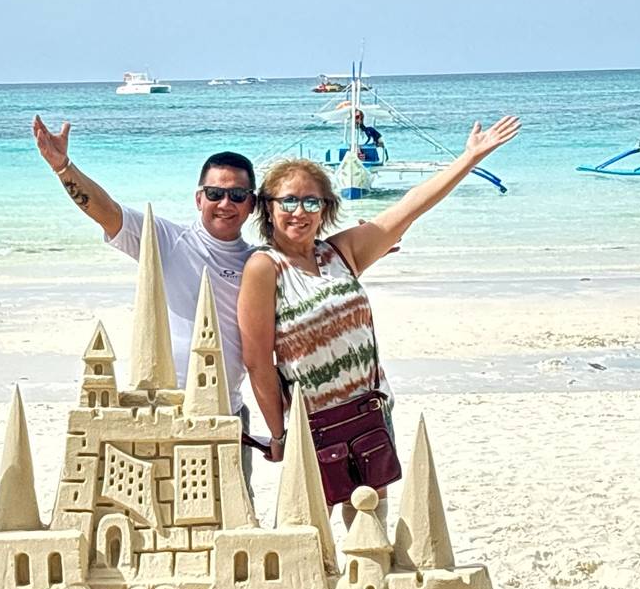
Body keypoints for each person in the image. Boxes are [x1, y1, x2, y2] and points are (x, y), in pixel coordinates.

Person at [238, 116, 521, 518]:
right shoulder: (264, 267)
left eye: (311, 202)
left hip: (369, 412)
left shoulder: (341, 252)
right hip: (312, 423)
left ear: (325, 209)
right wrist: (280, 432)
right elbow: (257, 362)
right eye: (288, 201)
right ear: (268, 208)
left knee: (370, 523)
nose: (299, 212)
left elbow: (410, 207)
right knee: (309, 528)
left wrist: (469, 158)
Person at [31, 116, 258, 451]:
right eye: (215, 193)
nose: (225, 204)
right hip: (163, 409)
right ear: (199, 199)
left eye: (237, 195)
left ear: (252, 204)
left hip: (226, 411)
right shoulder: (168, 240)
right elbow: (107, 212)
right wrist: (63, 167)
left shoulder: (259, 263)